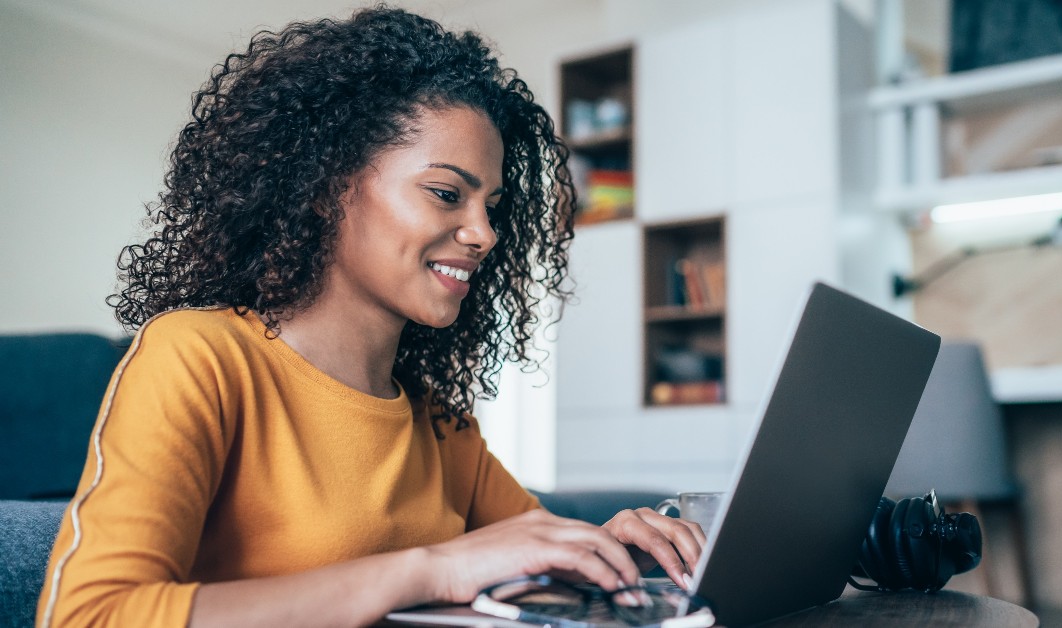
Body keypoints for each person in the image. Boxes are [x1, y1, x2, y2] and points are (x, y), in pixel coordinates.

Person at [36, 7, 704, 628]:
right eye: (447, 194)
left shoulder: (442, 426)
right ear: (329, 188)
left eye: (492, 208)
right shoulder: (199, 358)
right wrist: (429, 569)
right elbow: (88, 615)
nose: (484, 234)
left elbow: (534, 558)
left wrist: (614, 552)